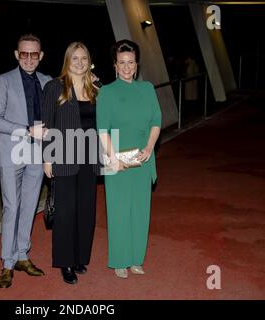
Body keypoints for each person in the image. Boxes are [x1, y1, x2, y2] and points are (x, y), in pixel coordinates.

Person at [0, 34, 52, 288]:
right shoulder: (3, 81)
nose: (28, 59)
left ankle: (22, 256)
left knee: (29, 207)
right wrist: (26, 130)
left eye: (33, 54)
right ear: (16, 54)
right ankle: (7, 262)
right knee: (12, 207)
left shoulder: (48, 82)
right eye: (23, 54)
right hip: (11, 153)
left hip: (37, 153)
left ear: (41, 56)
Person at [96, 39, 162, 279]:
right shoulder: (107, 92)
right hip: (117, 159)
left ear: (136, 65)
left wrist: (149, 147)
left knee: (141, 210)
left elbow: (156, 121)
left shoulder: (146, 89)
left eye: (130, 62)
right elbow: (102, 129)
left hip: (143, 158)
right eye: (122, 63)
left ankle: (136, 259)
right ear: (115, 65)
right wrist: (114, 159)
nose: (126, 67)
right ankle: (120, 260)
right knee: (119, 210)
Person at [41, 42, 100, 285]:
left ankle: (79, 258)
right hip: (64, 158)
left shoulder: (96, 87)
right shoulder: (55, 86)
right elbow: (46, 125)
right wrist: (47, 157)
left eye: (83, 58)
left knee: (86, 211)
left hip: (90, 158)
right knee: (66, 213)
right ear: (67, 61)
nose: (79, 62)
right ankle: (65, 262)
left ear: (89, 61)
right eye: (74, 58)